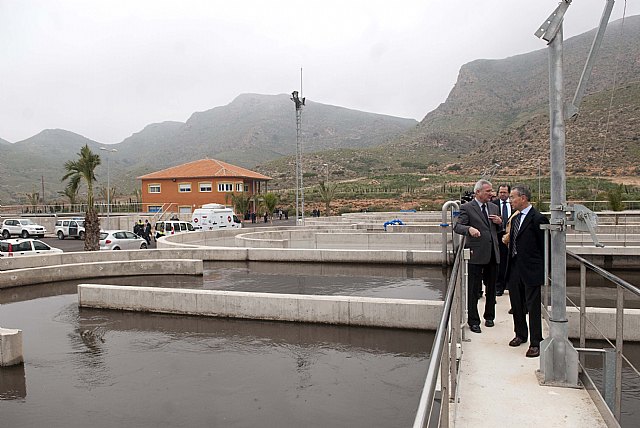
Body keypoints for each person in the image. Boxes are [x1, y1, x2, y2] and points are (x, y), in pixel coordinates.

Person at [505, 185, 549, 358]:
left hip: (532, 269)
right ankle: (520, 334)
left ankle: (536, 342)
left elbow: (545, 246)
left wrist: (545, 270)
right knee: (516, 304)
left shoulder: (538, 219)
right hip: (515, 267)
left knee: (533, 306)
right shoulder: (515, 219)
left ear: (523, 198)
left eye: (512, 197)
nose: (510, 201)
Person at [454, 179, 503, 333]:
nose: (491, 194)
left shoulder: (494, 207)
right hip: (476, 254)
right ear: (478, 192)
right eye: (488, 191)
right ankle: (473, 321)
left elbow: (500, 229)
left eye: (491, 191)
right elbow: (457, 226)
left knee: (491, 287)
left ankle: (490, 317)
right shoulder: (467, 208)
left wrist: (500, 222)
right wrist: (469, 229)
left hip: (492, 253)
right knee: (473, 289)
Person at [492, 184, 512, 296]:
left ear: (508, 193)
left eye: (504, 192)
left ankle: (509, 284)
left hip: (511, 237)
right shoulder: (493, 205)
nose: (502, 194)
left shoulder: (513, 205)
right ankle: (499, 286)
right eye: (500, 192)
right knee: (500, 262)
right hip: (499, 237)